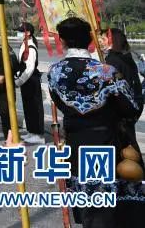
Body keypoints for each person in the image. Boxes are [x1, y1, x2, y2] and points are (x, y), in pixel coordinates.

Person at [48, 18, 141, 227]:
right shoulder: (106, 72)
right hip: (104, 141)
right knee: (105, 207)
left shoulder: (54, 72)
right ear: (90, 39)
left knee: (84, 201)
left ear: (61, 41)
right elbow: (131, 107)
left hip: (74, 143)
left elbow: (59, 104)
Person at [104, 28, 144, 157]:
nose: (100, 42)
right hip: (134, 104)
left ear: (112, 41)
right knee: (129, 141)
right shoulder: (126, 57)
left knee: (125, 144)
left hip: (122, 107)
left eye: (104, 39)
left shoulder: (113, 60)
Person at [15, 22, 45, 145]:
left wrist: (19, 81)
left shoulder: (31, 47)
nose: (19, 34)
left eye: (21, 31)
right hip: (27, 81)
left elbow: (29, 68)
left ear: (28, 33)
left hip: (31, 80)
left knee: (34, 107)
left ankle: (38, 134)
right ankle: (32, 132)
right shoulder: (24, 44)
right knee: (28, 106)